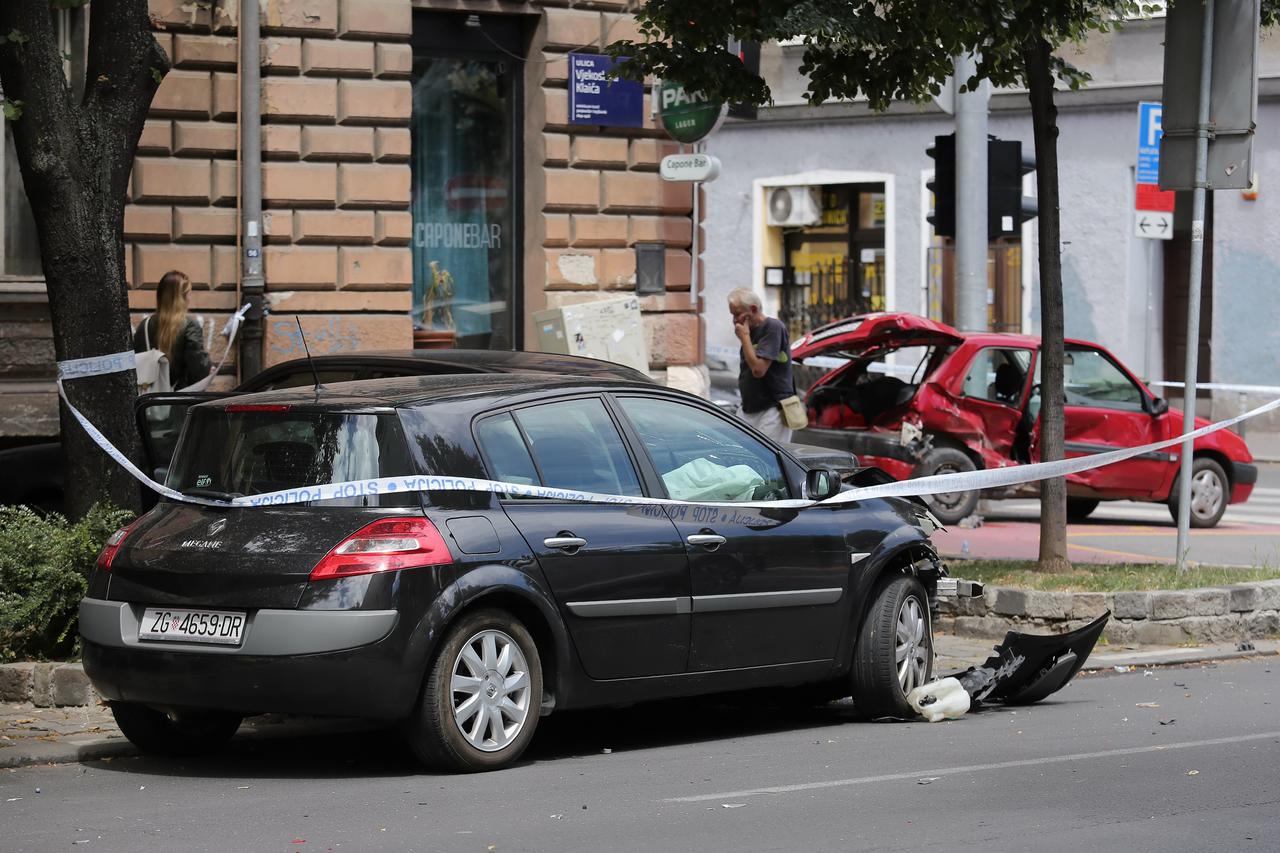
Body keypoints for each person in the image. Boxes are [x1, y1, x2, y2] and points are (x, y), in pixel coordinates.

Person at [729, 287, 795, 443]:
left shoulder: (773, 327)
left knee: (767, 459)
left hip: (772, 410)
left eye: (737, 314)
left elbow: (759, 370)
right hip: (749, 408)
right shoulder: (750, 331)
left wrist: (744, 337)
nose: (734, 321)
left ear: (753, 309)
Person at [133, 270, 213, 390]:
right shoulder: (190, 325)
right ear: (182, 297)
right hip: (180, 400)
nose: (190, 298)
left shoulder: (145, 325)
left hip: (149, 400)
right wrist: (207, 368)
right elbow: (197, 368)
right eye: (189, 294)